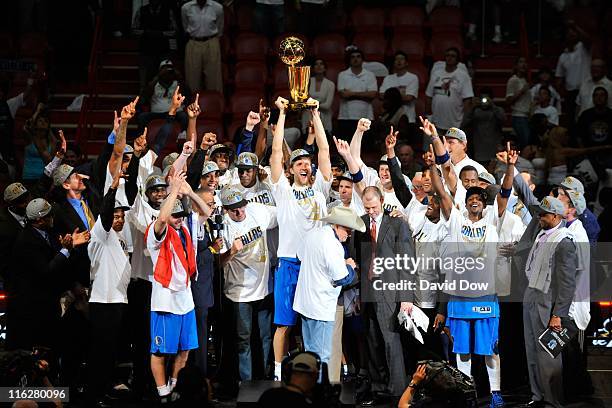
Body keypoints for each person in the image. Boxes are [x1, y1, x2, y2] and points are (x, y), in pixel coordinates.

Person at [426, 118, 515, 408]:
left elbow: (503, 195)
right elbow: (441, 190)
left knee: (490, 349)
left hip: (486, 294)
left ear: (484, 203)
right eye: (471, 198)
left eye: (479, 197)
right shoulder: (456, 219)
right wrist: (432, 165)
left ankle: (496, 393)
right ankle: (466, 393)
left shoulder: (493, 220)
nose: (475, 201)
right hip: (460, 293)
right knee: (462, 350)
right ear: (466, 202)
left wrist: (510, 169)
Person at [269, 97, 332, 381]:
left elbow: (324, 149)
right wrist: (282, 114)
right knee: (283, 325)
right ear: (291, 168)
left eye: (307, 162)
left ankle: (311, 373)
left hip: (314, 266)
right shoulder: (282, 190)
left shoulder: (320, 188)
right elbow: (274, 153)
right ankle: (279, 373)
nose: (305, 165)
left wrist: (315, 114)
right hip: (288, 263)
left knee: (311, 322)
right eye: (298, 162)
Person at [145, 170, 211, 400]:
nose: (180, 218)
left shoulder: (185, 228)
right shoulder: (156, 235)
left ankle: (176, 388)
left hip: (185, 299)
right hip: (165, 300)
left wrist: (190, 193)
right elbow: (163, 218)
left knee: (185, 349)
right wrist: (172, 192)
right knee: (160, 350)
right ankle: (162, 392)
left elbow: (206, 211)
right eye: (176, 216)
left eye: (181, 214)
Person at [350, 185, 414, 404]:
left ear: (382, 200)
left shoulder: (397, 224)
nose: (371, 211)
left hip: (391, 291)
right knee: (372, 340)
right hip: (368, 291)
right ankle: (379, 387)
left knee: (390, 341)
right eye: (367, 208)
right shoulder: (360, 224)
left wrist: (406, 297)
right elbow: (356, 259)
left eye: (374, 207)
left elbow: (407, 263)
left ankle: (398, 390)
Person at [6, 198, 89, 351]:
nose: (52, 218)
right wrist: (66, 250)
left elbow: (62, 264)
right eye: (49, 215)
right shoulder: (26, 241)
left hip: (49, 305)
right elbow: (47, 270)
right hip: (31, 311)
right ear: (38, 220)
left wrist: (72, 247)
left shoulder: (50, 233)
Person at [520, 196, 578, 408]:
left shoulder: (564, 241)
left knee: (548, 353)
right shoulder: (541, 235)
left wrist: (558, 314)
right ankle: (538, 396)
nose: (539, 217)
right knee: (531, 349)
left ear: (555, 216)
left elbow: (567, 283)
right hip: (531, 295)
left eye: (543, 214)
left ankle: (553, 402)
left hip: (547, 301)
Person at [294, 204, 365, 371]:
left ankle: (310, 393)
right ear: (337, 225)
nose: (349, 234)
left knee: (310, 355)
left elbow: (300, 256)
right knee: (322, 357)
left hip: (305, 304)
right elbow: (342, 278)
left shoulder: (314, 234)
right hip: (320, 306)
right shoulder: (333, 245)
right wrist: (350, 267)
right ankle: (320, 396)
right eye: (348, 230)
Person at [218, 186, 277, 381]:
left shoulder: (256, 210)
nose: (240, 212)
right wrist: (231, 251)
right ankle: (247, 384)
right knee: (243, 342)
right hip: (239, 293)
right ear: (226, 209)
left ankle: (265, 378)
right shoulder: (223, 227)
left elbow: (285, 214)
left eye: (242, 206)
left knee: (265, 337)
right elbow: (218, 263)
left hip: (263, 287)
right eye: (234, 209)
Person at [87, 172, 132, 407]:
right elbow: (104, 215)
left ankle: (103, 389)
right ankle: (94, 394)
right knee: (100, 352)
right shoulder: (100, 233)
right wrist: (112, 189)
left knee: (110, 351)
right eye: (116, 216)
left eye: (122, 216)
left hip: (116, 301)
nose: (119, 220)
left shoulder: (118, 238)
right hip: (102, 302)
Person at [138, 64, 190, 153]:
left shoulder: (178, 83)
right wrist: (157, 78)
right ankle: (141, 139)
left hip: (175, 113)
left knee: (184, 116)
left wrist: (179, 77)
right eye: (165, 71)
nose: (167, 74)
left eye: (170, 72)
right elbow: (144, 96)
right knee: (142, 117)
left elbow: (188, 94)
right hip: (157, 113)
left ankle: (182, 138)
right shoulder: (154, 83)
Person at [425, 47, 474, 135]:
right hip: (436, 122)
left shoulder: (463, 76)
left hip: (456, 124)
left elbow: (467, 100)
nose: (449, 58)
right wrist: (429, 116)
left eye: (453, 56)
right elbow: (429, 96)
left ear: (457, 60)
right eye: (447, 55)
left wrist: (464, 121)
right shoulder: (436, 73)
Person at [132, 0, 177, 91]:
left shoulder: (168, 11)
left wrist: (160, 34)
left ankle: (163, 100)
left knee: (165, 79)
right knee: (144, 81)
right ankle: (143, 99)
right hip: (145, 49)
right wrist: (146, 33)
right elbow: (134, 30)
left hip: (163, 49)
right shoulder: (141, 10)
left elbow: (175, 31)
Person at [181, 0, 224, 93]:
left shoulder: (218, 8)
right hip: (193, 42)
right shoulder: (186, 8)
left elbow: (220, 28)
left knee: (214, 78)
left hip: (211, 42)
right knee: (192, 78)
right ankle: (192, 105)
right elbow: (185, 26)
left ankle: (215, 103)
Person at [337, 48, 377, 141]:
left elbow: (372, 95)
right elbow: (343, 95)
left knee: (365, 148)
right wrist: (364, 94)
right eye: (353, 57)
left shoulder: (370, 75)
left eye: (358, 57)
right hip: (345, 117)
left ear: (362, 59)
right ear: (349, 60)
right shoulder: (342, 75)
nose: (356, 59)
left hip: (366, 116)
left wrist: (351, 93)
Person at [555, 21, 591, 123]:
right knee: (571, 121)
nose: (571, 34)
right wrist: (562, 93)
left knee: (585, 119)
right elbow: (559, 79)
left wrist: (575, 26)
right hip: (570, 93)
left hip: (585, 90)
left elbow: (588, 39)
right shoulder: (563, 56)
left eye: (574, 32)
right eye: (569, 32)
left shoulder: (583, 48)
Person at [462, 88, 506, 167]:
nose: (484, 101)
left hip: (494, 146)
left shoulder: (497, 110)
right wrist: (473, 107)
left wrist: (493, 105)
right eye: (482, 98)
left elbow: (503, 119)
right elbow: (464, 123)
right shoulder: (475, 111)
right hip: (479, 147)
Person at [0, 183, 31, 280]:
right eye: (21, 202)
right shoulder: (4, 228)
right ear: (11, 204)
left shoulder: (32, 210)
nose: (26, 204)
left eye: (27, 198)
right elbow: (4, 259)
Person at [379, 51, 419, 125]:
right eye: (396, 59)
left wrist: (390, 96)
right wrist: (400, 94)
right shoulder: (388, 78)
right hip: (390, 119)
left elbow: (409, 98)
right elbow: (381, 95)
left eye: (402, 59)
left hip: (408, 118)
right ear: (394, 63)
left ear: (406, 63)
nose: (399, 61)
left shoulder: (413, 78)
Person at [577, 87, 612, 170]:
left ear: (606, 98)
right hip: (589, 154)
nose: (599, 98)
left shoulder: (611, 115)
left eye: (602, 95)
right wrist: (583, 153)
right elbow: (579, 136)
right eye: (596, 95)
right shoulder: (585, 115)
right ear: (593, 98)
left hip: (609, 154)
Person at [301, 59, 335, 136]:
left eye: (321, 64)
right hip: (308, 115)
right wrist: (315, 103)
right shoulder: (306, 82)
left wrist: (310, 102)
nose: (319, 66)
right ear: (313, 68)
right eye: (316, 64)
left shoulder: (330, 84)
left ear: (325, 68)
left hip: (324, 116)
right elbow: (303, 101)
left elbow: (327, 106)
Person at [506, 57, 532, 148]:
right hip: (519, 116)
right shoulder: (513, 80)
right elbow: (508, 100)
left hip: (527, 116)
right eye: (521, 62)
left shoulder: (525, 80)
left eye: (525, 62)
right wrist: (521, 91)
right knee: (524, 144)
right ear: (516, 66)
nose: (523, 64)